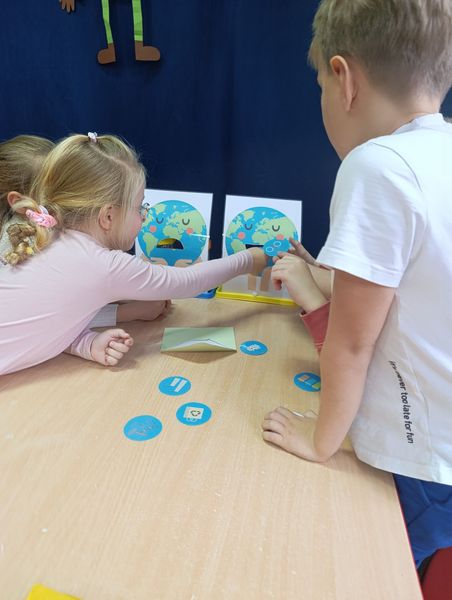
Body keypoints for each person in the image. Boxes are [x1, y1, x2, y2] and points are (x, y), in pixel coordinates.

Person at [263, 0, 452, 569]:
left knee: (367, 570)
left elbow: (350, 343)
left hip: (417, 460)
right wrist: (329, 272)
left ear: (344, 80)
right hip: (442, 450)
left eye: (321, 85)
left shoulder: (378, 165)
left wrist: (321, 440)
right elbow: (417, 284)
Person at [0, 133, 267, 375]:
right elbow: (186, 282)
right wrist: (249, 259)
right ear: (108, 216)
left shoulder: (42, 236)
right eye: (140, 208)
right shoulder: (103, 266)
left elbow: (36, 321)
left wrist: (86, 343)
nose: (144, 216)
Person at [0, 134, 171, 325]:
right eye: (49, 190)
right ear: (17, 201)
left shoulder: (59, 227)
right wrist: (128, 312)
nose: (64, 198)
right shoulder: (20, 246)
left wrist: (127, 293)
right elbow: (51, 316)